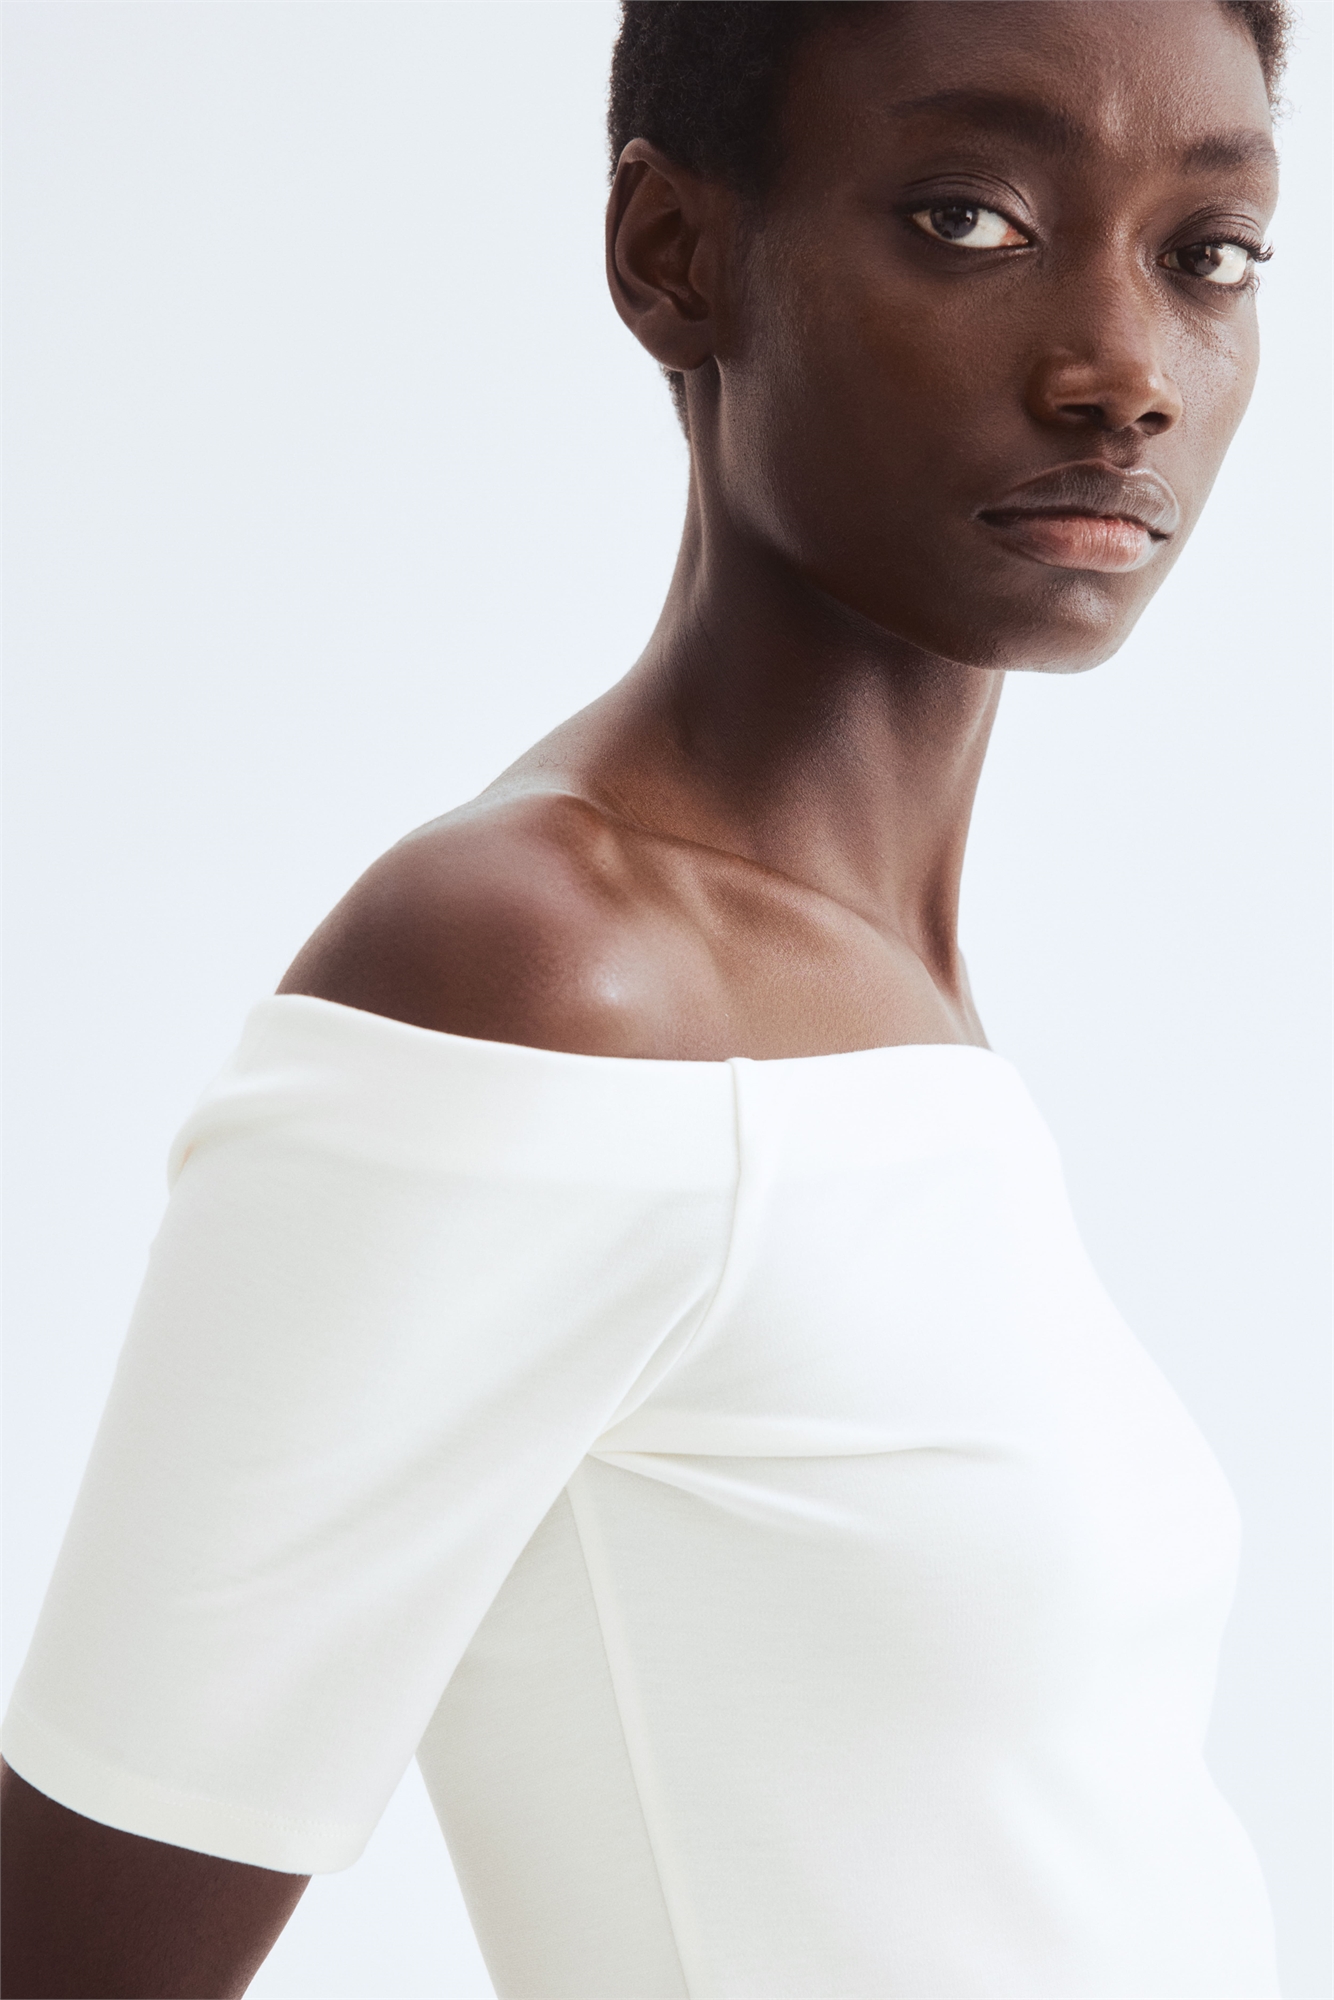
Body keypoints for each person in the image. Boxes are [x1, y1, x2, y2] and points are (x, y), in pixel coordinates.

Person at [0, 3, 1292, 1995]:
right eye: (967, 217)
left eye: (1205, 252)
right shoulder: (545, 977)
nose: (1120, 373)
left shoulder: (870, 996)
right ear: (672, 254)